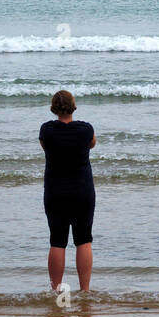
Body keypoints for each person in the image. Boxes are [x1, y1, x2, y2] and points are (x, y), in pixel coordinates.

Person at [40, 90, 96, 294]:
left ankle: (56, 290)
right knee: (84, 239)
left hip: (55, 191)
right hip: (82, 190)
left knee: (57, 240)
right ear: (73, 106)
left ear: (54, 107)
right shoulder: (85, 129)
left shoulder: (47, 130)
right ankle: (85, 290)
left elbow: (44, 147)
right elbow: (92, 144)